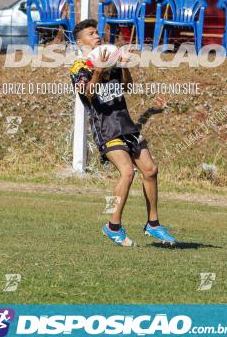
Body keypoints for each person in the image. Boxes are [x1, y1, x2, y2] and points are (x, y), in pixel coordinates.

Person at [69, 19, 177, 247]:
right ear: (80, 42)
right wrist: (98, 70)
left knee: (150, 170)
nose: (97, 36)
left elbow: (127, 87)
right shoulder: (78, 67)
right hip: (106, 127)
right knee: (127, 172)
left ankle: (153, 224)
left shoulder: (111, 58)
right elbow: (88, 94)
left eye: (97, 32)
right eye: (91, 34)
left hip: (125, 124)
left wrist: (123, 65)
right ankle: (113, 226)